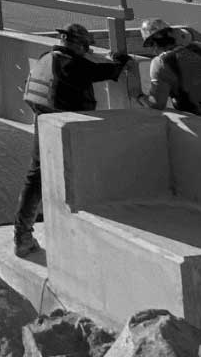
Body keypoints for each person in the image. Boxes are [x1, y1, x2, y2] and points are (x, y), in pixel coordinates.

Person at [13, 23, 132, 258]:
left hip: (43, 119)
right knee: (82, 173)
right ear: (80, 45)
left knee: (36, 176)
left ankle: (22, 235)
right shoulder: (72, 63)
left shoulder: (47, 57)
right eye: (84, 48)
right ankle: (77, 231)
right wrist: (120, 60)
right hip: (64, 123)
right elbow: (106, 72)